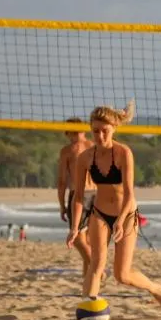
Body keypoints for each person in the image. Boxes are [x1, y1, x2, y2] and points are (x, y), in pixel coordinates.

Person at [66, 101, 161, 311]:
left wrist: (121, 222)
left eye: (105, 131)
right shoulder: (85, 158)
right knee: (96, 264)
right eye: (95, 131)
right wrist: (74, 228)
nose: (100, 136)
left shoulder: (124, 153)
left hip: (127, 214)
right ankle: (89, 310)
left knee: (122, 275)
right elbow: (78, 197)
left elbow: (130, 193)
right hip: (100, 213)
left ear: (113, 129)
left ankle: (156, 288)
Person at [58, 117, 96, 279]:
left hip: (79, 194)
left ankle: (97, 270)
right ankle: (88, 286)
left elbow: (61, 181)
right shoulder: (95, 146)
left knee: (79, 240)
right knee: (87, 241)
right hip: (97, 194)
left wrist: (62, 205)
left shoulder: (68, 150)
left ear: (68, 132)